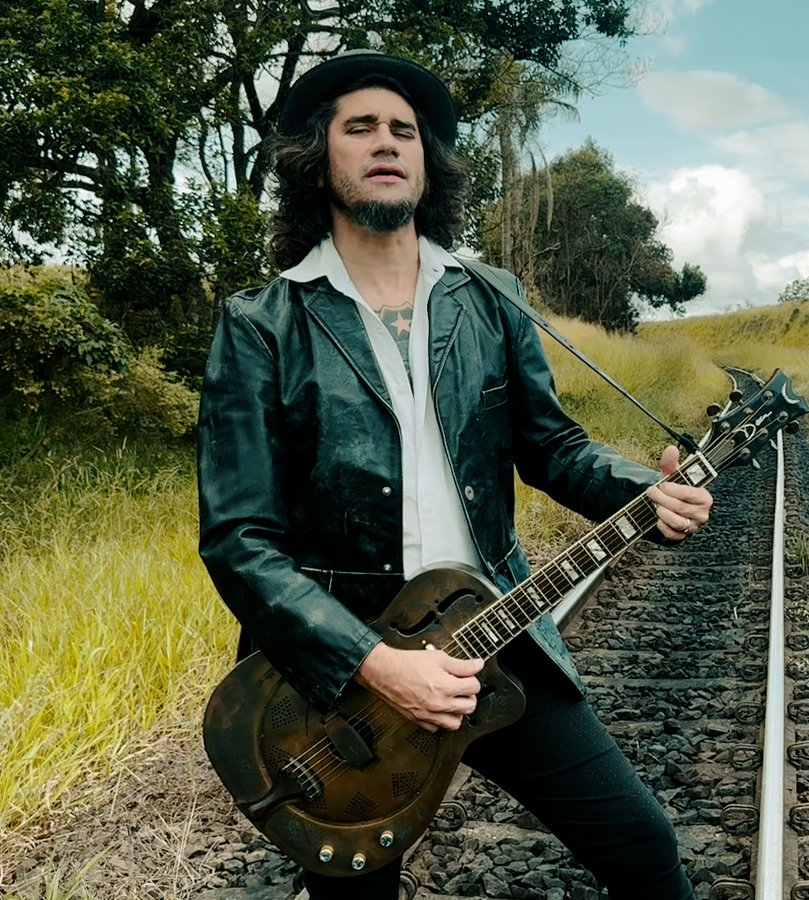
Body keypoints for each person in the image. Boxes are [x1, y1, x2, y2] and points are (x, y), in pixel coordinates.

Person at [196, 49, 711, 900]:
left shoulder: (490, 298)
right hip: (339, 687)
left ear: (427, 163)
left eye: (404, 130)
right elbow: (238, 540)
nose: (386, 142)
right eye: (360, 127)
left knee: (643, 849)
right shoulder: (263, 324)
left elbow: (552, 447)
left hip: (491, 635)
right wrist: (374, 662)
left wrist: (643, 493)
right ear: (318, 161)